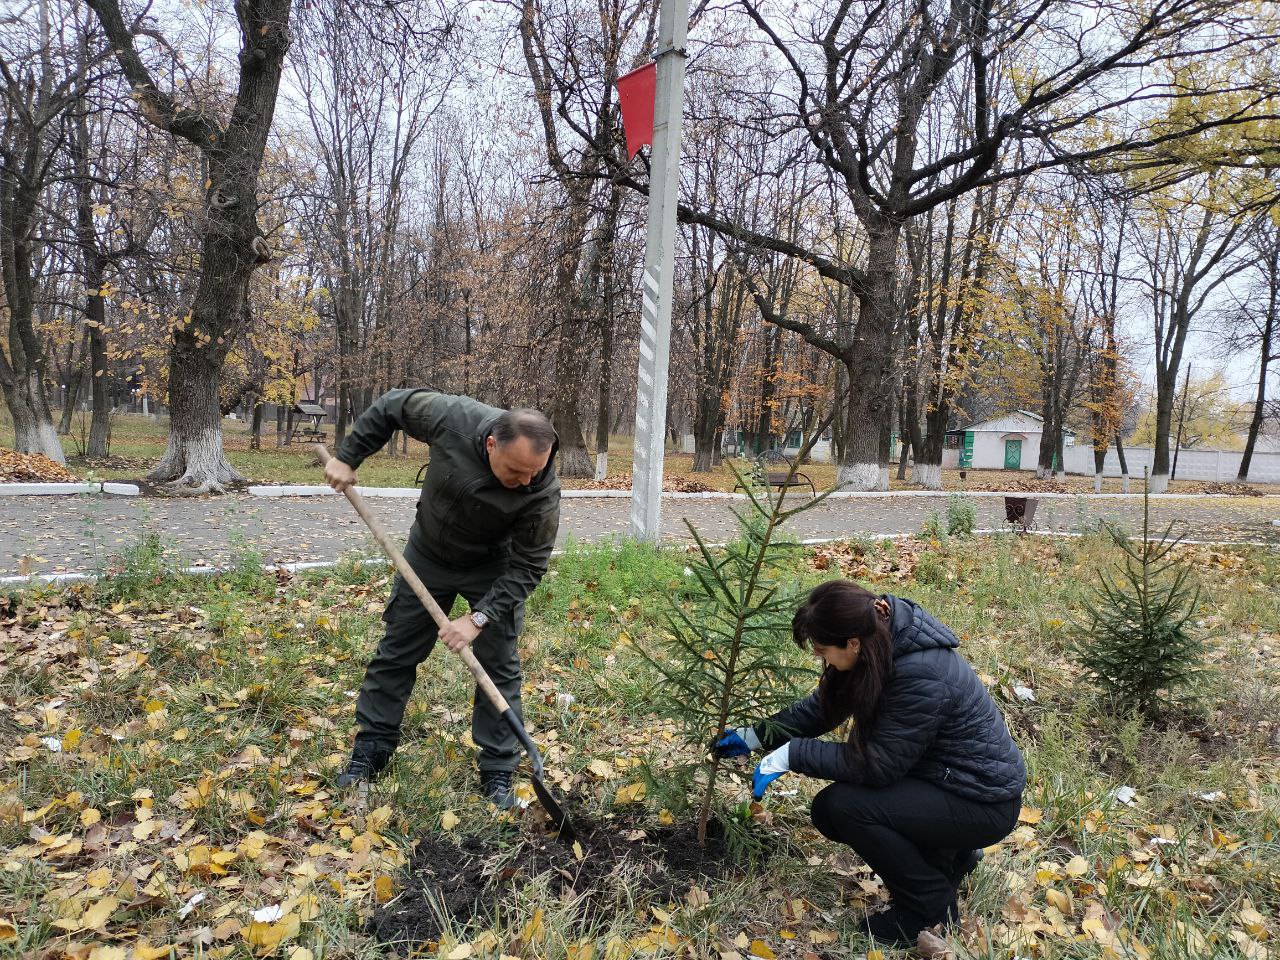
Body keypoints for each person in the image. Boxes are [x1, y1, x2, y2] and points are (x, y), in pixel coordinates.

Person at [715, 581, 1026, 946]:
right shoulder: (877, 640)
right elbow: (823, 707)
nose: (821, 659)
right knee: (837, 809)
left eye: (822, 650)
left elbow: (878, 765)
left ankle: (929, 908)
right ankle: (948, 860)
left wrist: (791, 755)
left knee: (842, 808)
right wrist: (757, 736)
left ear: (851, 643)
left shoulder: (920, 673)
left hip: (981, 802)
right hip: (945, 783)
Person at [323, 389, 561, 809]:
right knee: (398, 649)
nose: (526, 481)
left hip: (492, 567)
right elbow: (392, 405)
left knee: (499, 665)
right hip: (428, 554)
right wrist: (348, 456)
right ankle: (372, 751)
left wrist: (480, 617)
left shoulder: (541, 490)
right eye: (516, 471)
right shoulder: (453, 418)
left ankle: (498, 770)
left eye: (534, 472)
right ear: (491, 444)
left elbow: (528, 566)